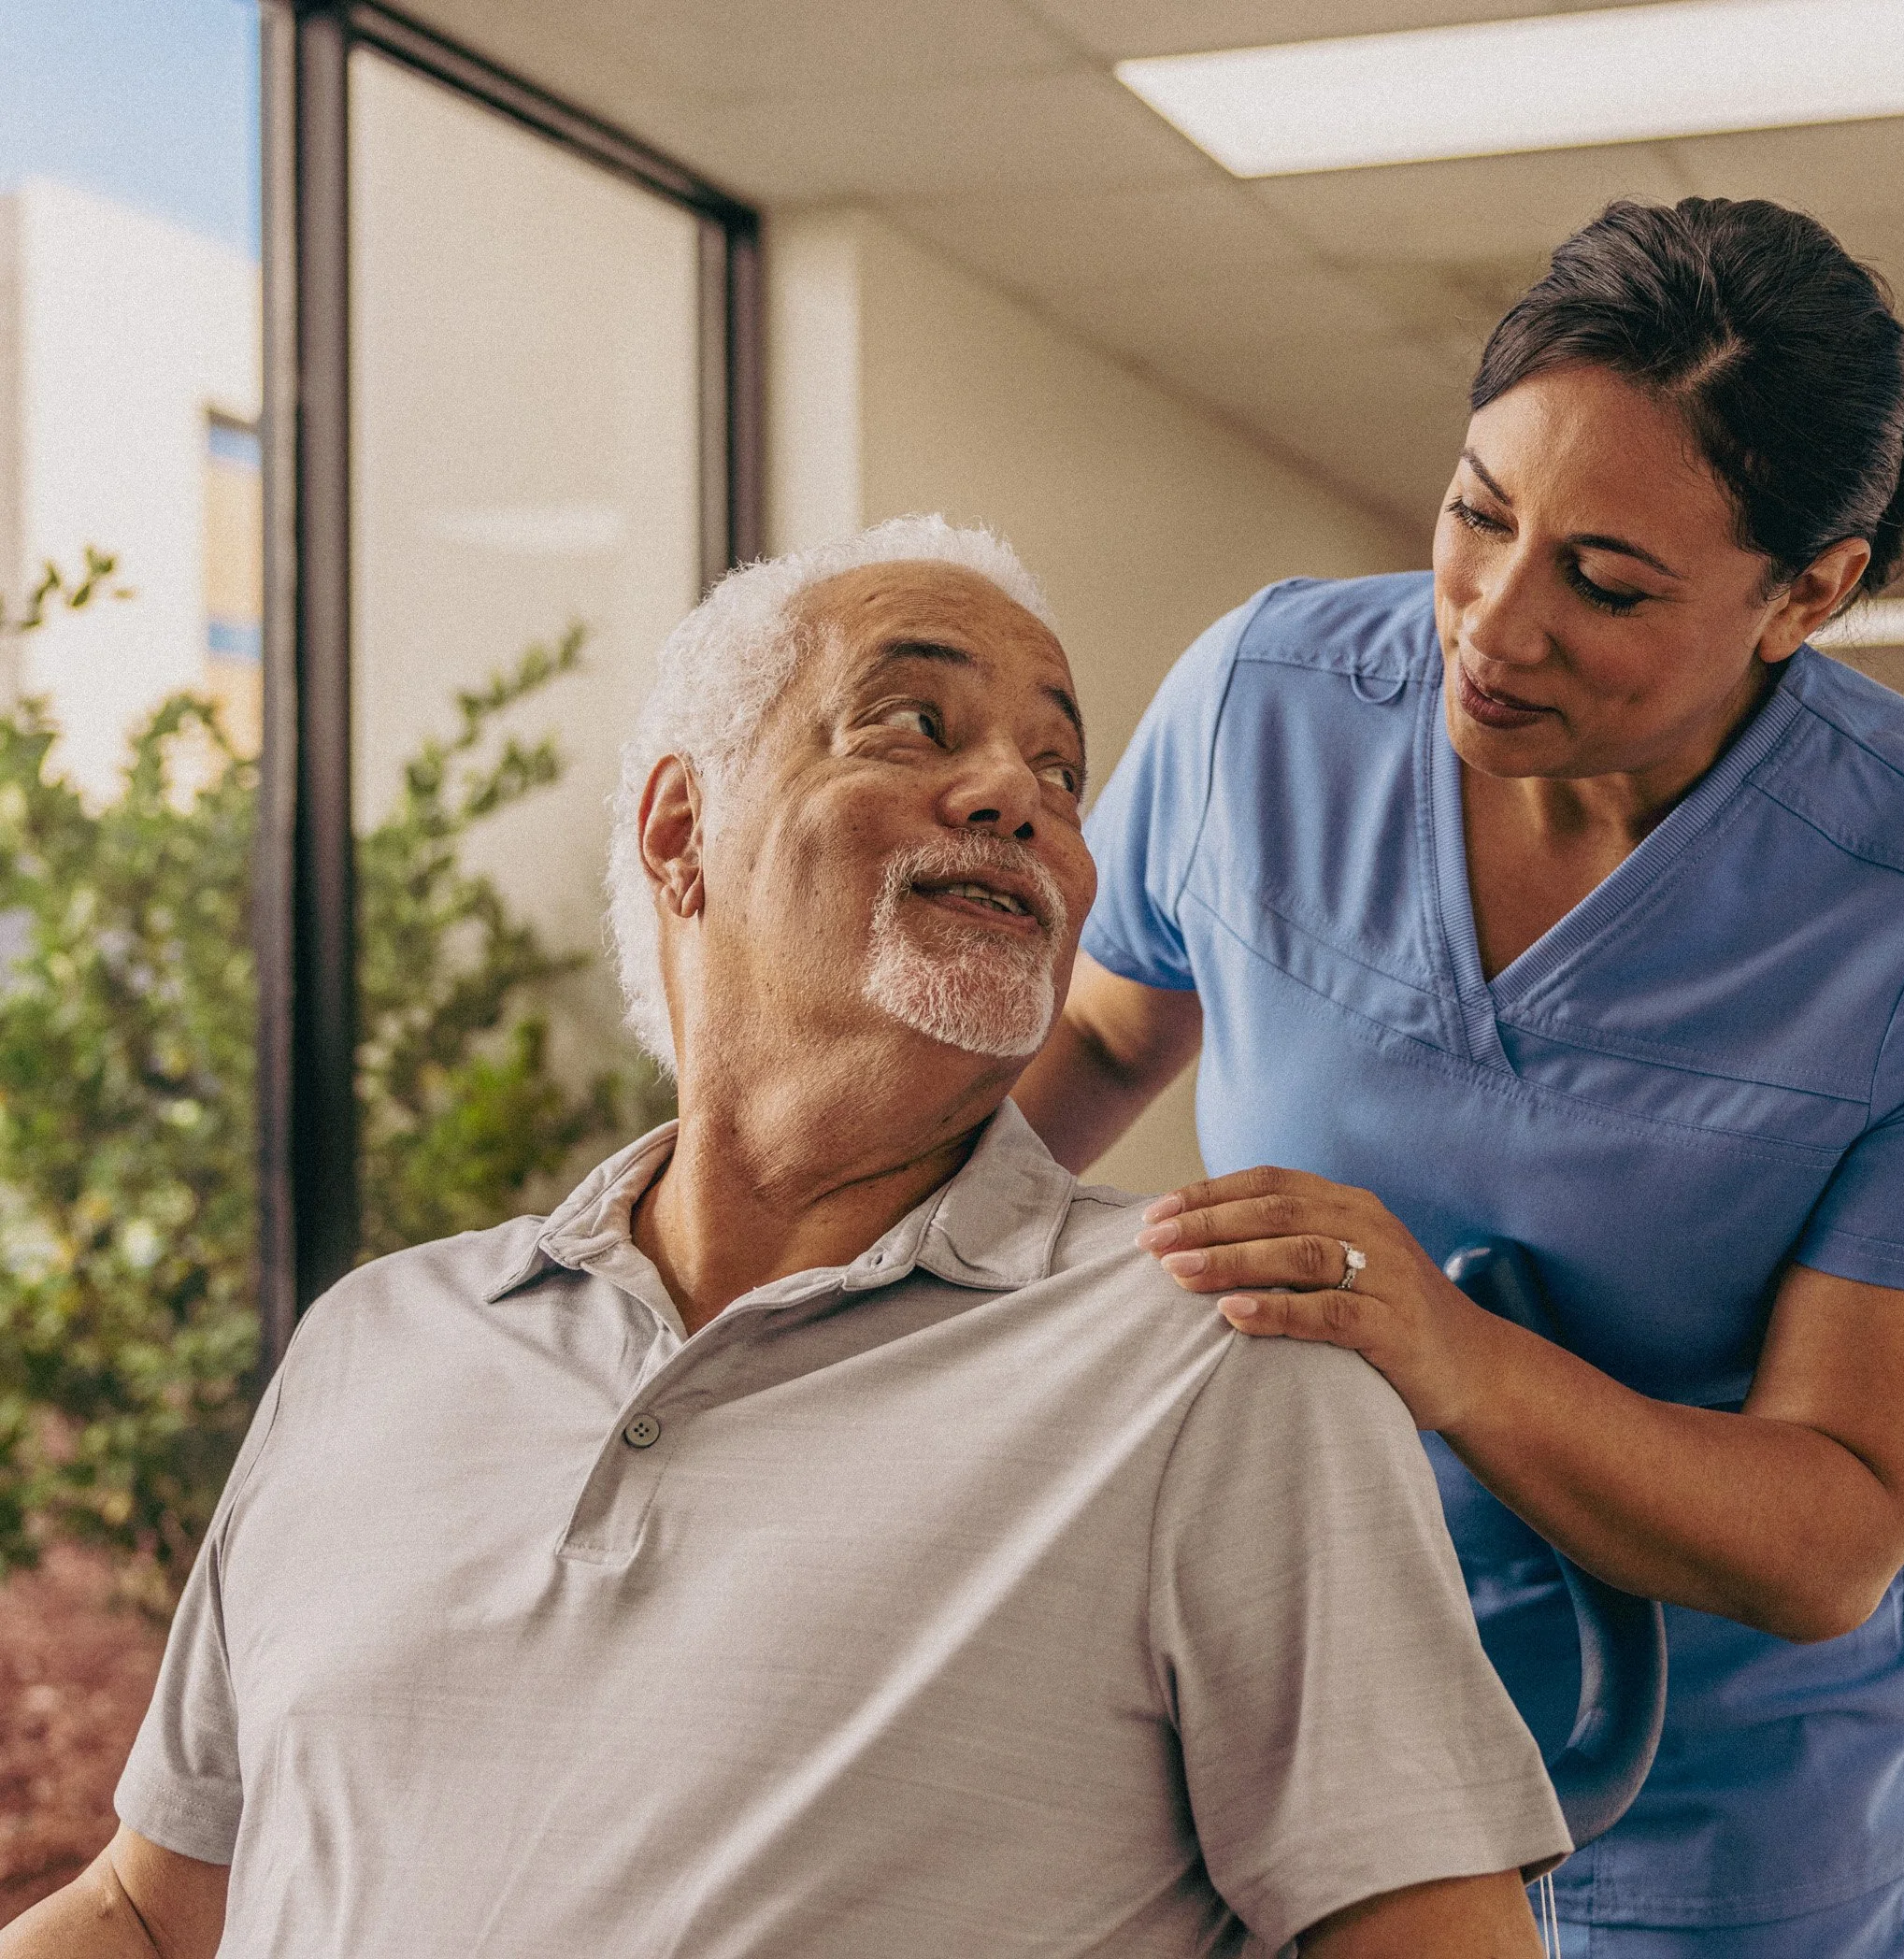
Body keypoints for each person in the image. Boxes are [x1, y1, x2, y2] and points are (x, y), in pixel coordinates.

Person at [3, 518, 1572, 1959]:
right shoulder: (374, 1343)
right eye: (919, 723)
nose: (1018, 795)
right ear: (683, 825)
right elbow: (154, 1913)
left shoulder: (1217, 1358)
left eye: (1060, 769)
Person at [1016, 199, 1904, 1956]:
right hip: (1282, 1728)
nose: (1493, 626)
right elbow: (1098, 1040)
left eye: (1604, 583)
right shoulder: (1262, 708)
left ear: (1807, 593)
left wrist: (1443, 1349)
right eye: (1475, 513)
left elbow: (1834, 1525)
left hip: (1706, 1822)